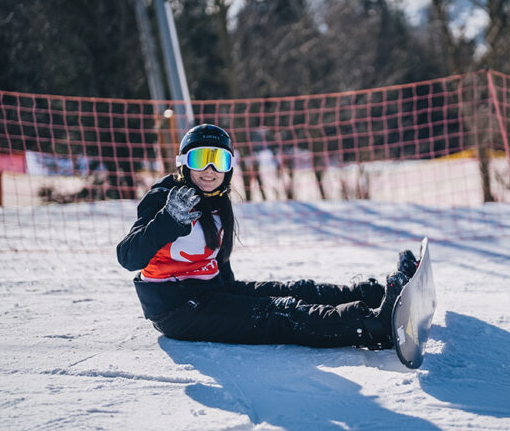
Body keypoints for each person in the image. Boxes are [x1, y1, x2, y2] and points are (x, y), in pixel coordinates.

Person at [117, 124, 419, 349]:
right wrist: (167, 220)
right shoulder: (164, 199)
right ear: (183, 163)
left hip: (211, 291)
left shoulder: (216, 200)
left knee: (296, 290)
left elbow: (217, 258)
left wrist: (231, 292)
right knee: (280, 313)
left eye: (219, 161)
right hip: (178, 310)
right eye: (200, 159)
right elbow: (128, 257)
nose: (209, 170)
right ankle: (372, 325)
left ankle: (375, 294)